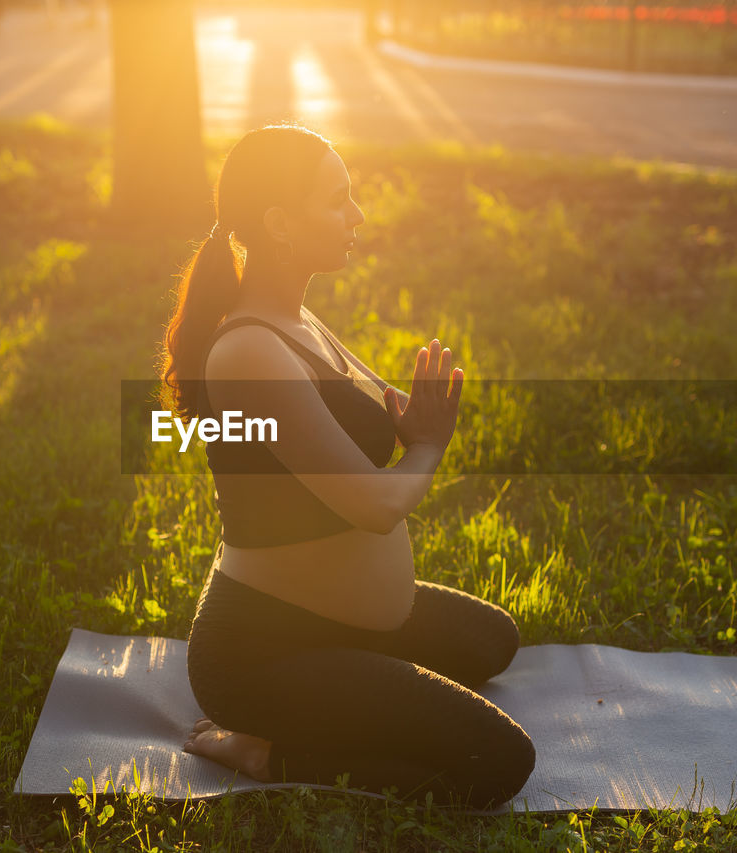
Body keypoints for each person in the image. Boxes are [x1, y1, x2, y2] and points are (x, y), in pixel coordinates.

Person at [159, 124, 535, 810]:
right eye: (339, 200)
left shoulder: (297, 321)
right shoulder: (247, 351)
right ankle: (266, 749)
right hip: (263, 652)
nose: (357, 216)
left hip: (339, 622)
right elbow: (374, 504)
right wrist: (427, 445)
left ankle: (354, 681)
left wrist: (398, 421)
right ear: (280, 221)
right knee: (498, 760)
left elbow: (343, 428)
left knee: (492, 639)